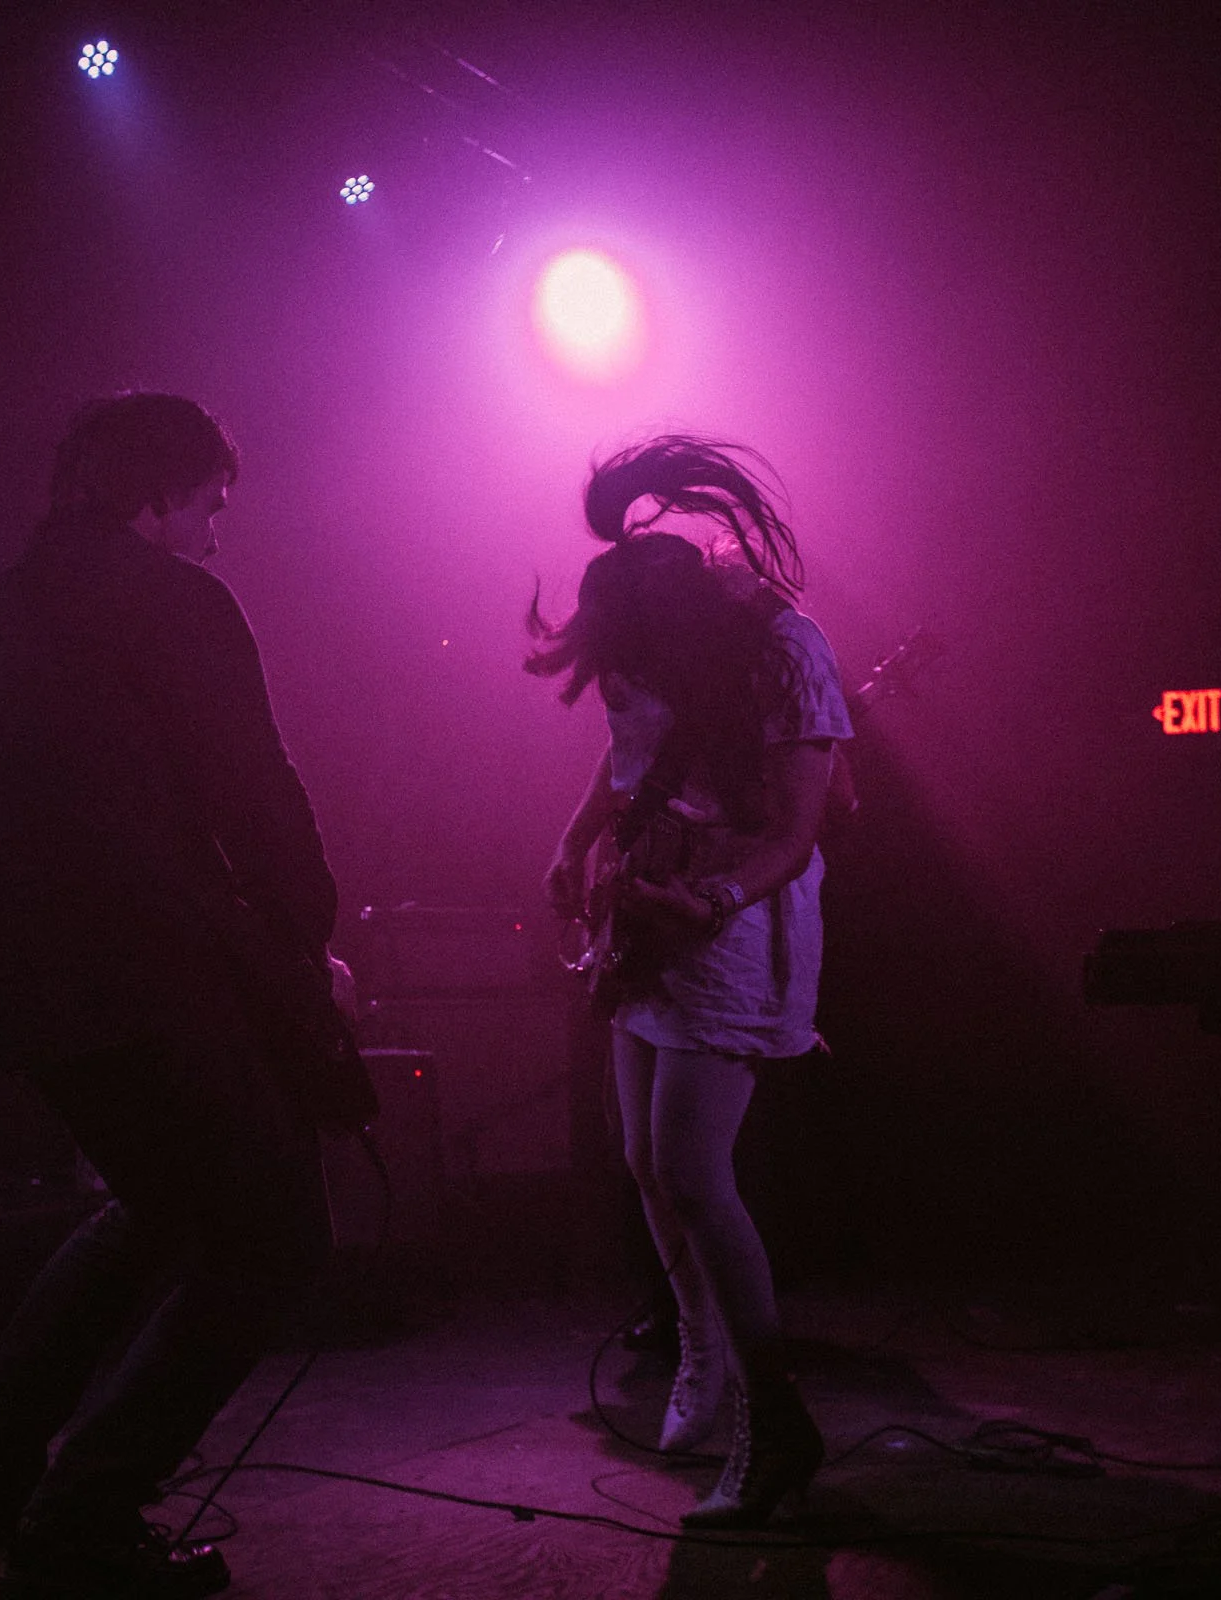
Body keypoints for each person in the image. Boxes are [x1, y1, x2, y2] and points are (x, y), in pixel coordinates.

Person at [0, 393, 348, 1599]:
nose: (215, 533)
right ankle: (85, 1515)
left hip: (23, 986)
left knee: (156, 1207)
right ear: (159, 496)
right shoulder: (171, 601)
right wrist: (304, 928)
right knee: (272, 1234)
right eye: (209, 505)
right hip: (151, 975)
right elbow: (249, 788)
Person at [529, 435, 850, 1528]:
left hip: (735, 921)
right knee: (646, 1163)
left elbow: (799, 833)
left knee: (692, 1168)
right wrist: (577, 840)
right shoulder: (645, 643)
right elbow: (628, 751)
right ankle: (704, 1357)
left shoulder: (784, 648)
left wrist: (707, 903)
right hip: (649, 916)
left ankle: (775, 1421)